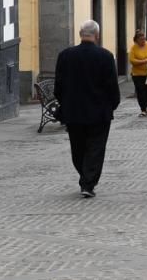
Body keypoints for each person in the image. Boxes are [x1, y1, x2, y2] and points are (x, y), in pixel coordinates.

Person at [54, 20, 121, 198]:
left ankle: (85, 178)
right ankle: (88, 182)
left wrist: (66, 104)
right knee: (96, 148)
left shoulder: (65, 56)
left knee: (78, 148)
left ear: (80, 34)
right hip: (99, 112)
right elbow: (113, 88)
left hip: (73, 112)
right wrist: (111, 105)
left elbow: (58, 87)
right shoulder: (106, 56)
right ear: (97, 35)